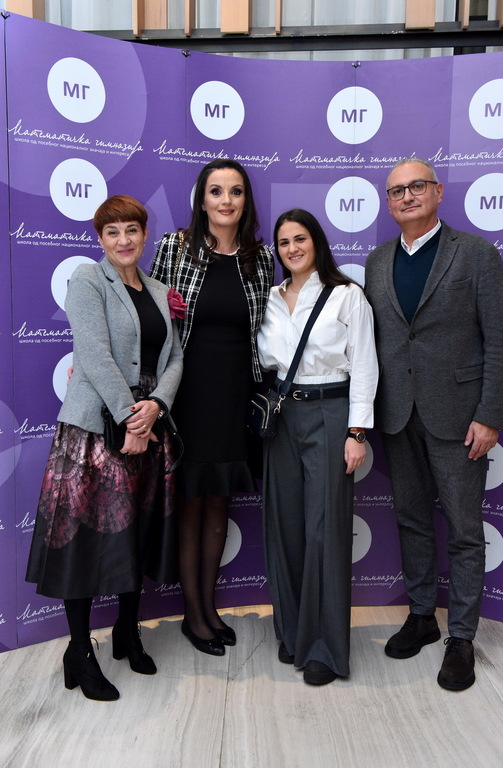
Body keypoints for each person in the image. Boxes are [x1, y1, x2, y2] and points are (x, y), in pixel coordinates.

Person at [26, 195, 183, 701]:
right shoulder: (88, 280)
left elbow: (175, 358)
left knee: (132, 536)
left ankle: (127, 632)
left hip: (147, 427)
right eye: (112, 232)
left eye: (131, 230)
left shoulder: (158, 290)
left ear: (144, 233)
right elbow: (92, 353)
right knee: (84, 543)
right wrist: (128, 417)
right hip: (95, 431)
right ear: (100, 239)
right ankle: (79, 650)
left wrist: (155, 406)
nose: (123, 240)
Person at [364, 158, 503, 691]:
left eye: (416, 186)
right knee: (411, 519)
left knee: (466, 531)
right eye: (396, 191)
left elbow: (500, 340)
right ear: (388, 203)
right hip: (397, 414)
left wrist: (489, 415)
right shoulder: (377, 261)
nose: (406, 196)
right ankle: (423, 616)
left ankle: (463, 637)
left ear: (438, 191)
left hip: (460, 418)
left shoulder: (475, 254)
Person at [150, 159, 274, 655]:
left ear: (246, 201)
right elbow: (148, 314)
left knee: (219, 501)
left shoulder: (261, 259)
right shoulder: (175, 248)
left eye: (236, 191)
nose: (226, 200)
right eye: (216, 191)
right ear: (202, 200)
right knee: (191, 503)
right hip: (187, 394)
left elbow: (268, 328)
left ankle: (209, 607)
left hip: (236, 394)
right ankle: (192, 614)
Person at [257, 209, 378, 685]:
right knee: (285, 527)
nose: (292, 249)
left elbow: (364, 364)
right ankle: (293, 634)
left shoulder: (347, 295)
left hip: (331, 413)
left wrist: (357, 432)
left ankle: (324, 648)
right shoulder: (269, 299)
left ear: (317, 242)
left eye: (300, 239)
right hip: (282, 418)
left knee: (324, 531)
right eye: (284, 242)